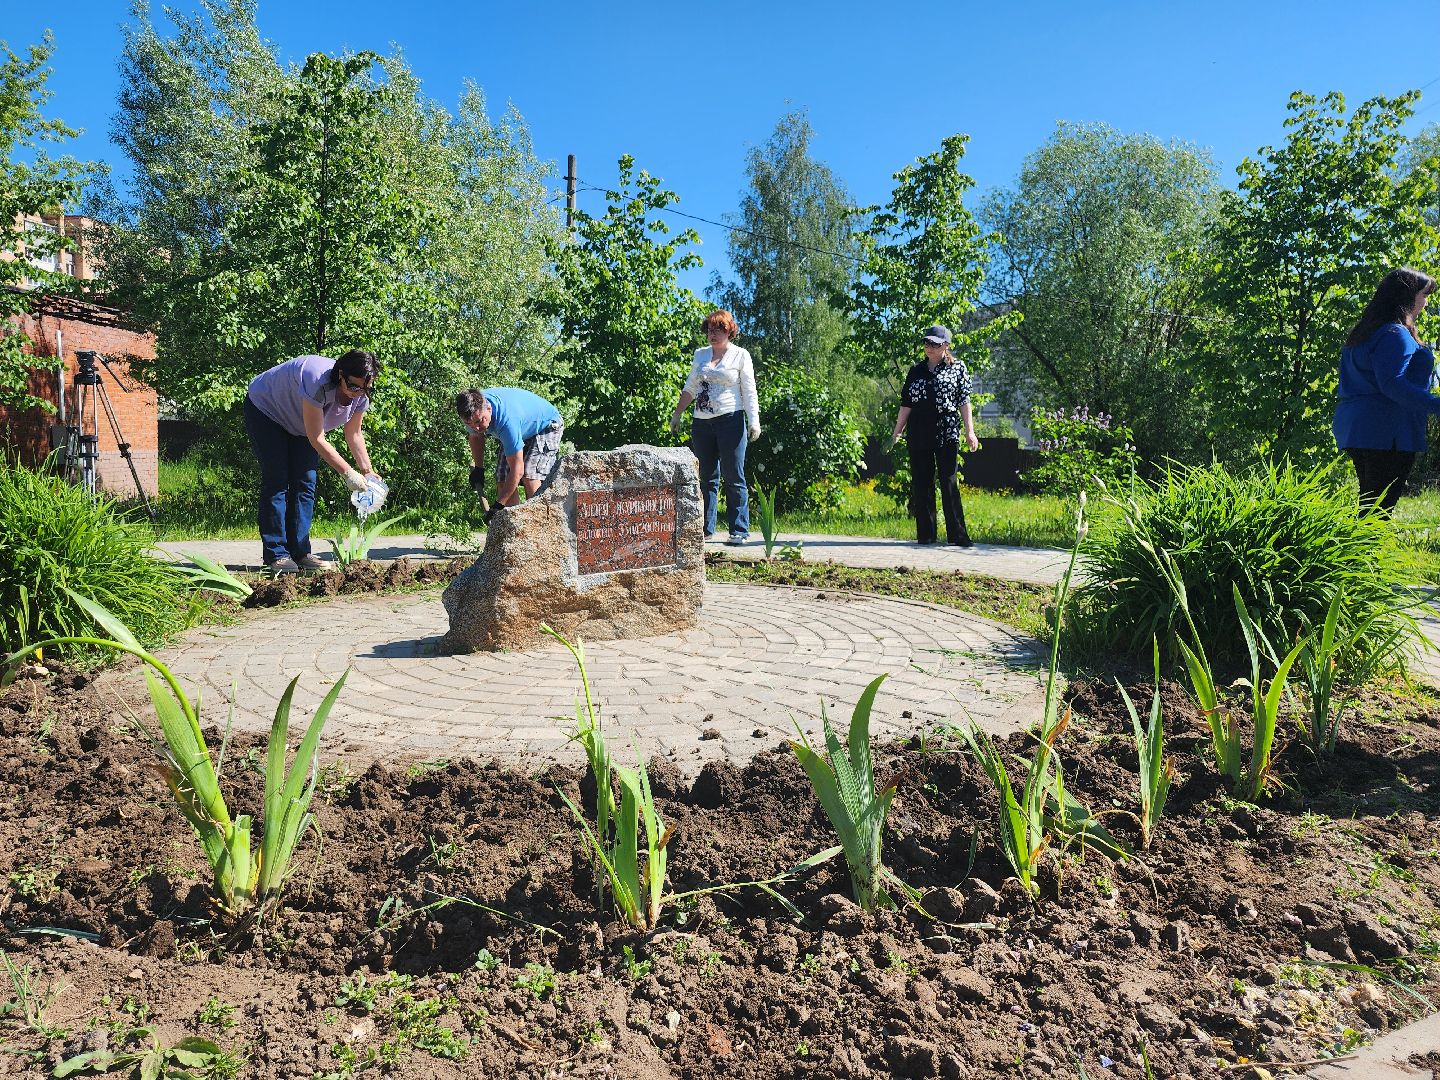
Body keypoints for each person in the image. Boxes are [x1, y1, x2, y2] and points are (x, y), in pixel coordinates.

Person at [244, 350, 382, 573]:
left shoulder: (361, 395)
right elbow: (317, 438)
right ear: (340, 375)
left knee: (306, 482)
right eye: (354, 387)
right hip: (267, 410)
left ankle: (300, 553)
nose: (359, 393)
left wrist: (367, 471)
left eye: (366, 388)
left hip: (300, 423)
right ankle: (276, 554)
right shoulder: (316, 380)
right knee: (278, 479)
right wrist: (348, 473)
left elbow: (354, 433)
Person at [1334, 268, 1440, 513]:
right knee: (1377, 512)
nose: (1426, 302)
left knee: (1370, 506)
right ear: (1406, 296)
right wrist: (1436, 404)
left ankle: (1356, 550)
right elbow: (1393, 384)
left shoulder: (1363, 333)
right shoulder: (1395, 334)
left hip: (1357, 428)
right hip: (1387, 430)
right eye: (1424, 295)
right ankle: (1364, 551)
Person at [669, 309, 761, 544]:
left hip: (730, 421)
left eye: (719, 329)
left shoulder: (741, 355)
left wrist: (754, 421)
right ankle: (706, 530)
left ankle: (739, 530)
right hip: (702, 423)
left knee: (734, 476)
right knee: (706, 478)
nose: (713, 333)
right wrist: (677, 414)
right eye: (710, 329)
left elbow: (749, 391)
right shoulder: (700, 355)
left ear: (729, 331)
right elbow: (690, 387)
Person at [892, 325, 979, 546]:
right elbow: (906, 404)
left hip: (947, 430)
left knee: (949, 481)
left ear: (946, 346)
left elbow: (964, 401)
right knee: (922, 484)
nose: (928, 348)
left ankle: (958, 536)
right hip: (919, 431)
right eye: (926, 343)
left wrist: (970, 432)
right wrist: (897, 431)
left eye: (934, 344)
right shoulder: (915, 371)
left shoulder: (958, 368)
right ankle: (926, 535)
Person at [455, 387, 564, 521]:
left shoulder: (506, 422)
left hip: (546, 425)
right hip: (522, 427)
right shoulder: (471, 411)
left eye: (479, 421)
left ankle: (540, 524)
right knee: (502, 479)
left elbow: (517, 471)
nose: (476, 427)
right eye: (469, 424)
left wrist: (498, 506)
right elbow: (476, 436)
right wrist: (479, 469)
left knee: (530, 475)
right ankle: (513, 526)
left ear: (489, 409)